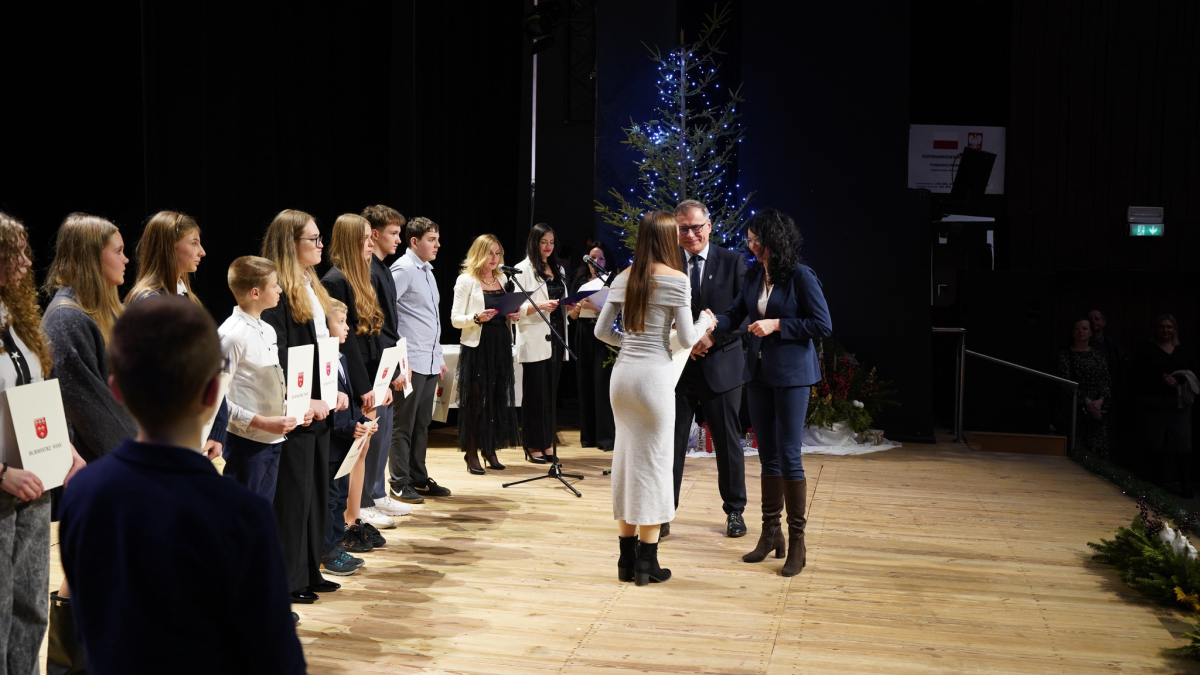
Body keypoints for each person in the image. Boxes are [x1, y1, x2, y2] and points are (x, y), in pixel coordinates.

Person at [58, 296, 305, 673]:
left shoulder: (82, 493)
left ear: (116, 390)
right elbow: (276, 657)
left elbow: (86, 623)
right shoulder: (243, 513)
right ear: (213, 394)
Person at [41, 213, 139, 670]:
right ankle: (68, 668)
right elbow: (86, 404)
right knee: (86, 571)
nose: (126, 258)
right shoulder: (66, 318)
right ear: (90, 257)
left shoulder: (96, 312)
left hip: (112, 462)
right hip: (94, 468)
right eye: (117, 250)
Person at [595, 211, 714, 587]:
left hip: (622, 379)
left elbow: (601, 331)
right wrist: (706, 322)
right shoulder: (676, 279)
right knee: (655, 466)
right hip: (653, 379)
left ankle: (625, 559)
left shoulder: (623, 277)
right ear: (667, 239)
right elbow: (686, 339)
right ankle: (647, 562)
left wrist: (630, 344)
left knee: (626, 462)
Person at [715, 209, 832, 578]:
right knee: (767, 458)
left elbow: (822, 324)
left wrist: (778, 324)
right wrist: (707, 324)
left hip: (792, 375)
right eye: (749, 240)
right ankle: (770, 533)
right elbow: (734, 315)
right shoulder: (753, 276)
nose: (752, 246)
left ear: (774, 240)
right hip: (759, 375)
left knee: (789, 456)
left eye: (757, 240)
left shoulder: (800, 275)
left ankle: (797, 542)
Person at [0, 213, 84, 675]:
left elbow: (37, 394)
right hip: (4, 487)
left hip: (35, 487)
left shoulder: (17, 322)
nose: (28, 262)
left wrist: (65, 449)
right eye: (15, 252)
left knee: (31, 606)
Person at [260, 209, 343, 605]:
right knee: (293, 497)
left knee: (314, 493)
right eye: (313, 239)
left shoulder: (311, 284)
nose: (320, 245)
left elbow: (324, 347)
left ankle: (310, 570)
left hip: (320, 404)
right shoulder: (277, 288)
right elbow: (277, 353)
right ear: (289, 243)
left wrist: (333, 389)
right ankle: (290, 579)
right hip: (297, 407)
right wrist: (302, 399)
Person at [671, 199, 749, 539]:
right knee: (670, 445)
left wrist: (711, 339)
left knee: (728, 444)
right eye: (683, 229)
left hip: (722, 366)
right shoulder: (667, 263)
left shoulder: (733, 262)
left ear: (709, 226)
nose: (690, 235)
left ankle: (735, 511)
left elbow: (744, 314)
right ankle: (662, 514)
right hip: (677, 369)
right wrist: (683, 343)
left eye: (696, 227)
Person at [125, 210, 227, 460]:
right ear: (169, 247)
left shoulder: (186, 299)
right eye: (193, 243)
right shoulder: (149, 302)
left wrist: (216, 429)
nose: (202, 252)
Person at [321, 214, 394, 538]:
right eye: (365, 237)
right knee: (353, 449)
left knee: (362, 448)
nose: (370, 242)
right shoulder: (335, 280)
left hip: (369, 374)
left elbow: (374, 332)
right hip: (352, 378)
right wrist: (364, 387)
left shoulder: (365, 275)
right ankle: (346, 521)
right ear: (351, 241)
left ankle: (353, 517)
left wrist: (383, 380)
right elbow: (346, 342)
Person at [218, 256, 300, 503]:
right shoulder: (231, 336)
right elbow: (216, 398)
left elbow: (268, 384)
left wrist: (291, 408)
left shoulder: (267, 329)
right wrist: (262, 422)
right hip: (247, 443)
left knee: (261, 513)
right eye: (275, 285)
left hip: (273, 439)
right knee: (240, 514)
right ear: (255, 292)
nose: (280, 290)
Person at [389, 217, 451, 502]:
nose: (437, 245)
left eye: (437, 239)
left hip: (428, 359)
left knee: (422, 423)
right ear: (414, 241)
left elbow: (430, 318)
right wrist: (400, 361)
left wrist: (438, 357)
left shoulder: (427, 270)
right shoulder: (403, 269)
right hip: (410, 361)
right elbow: (387, 314)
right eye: (431, 240)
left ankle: (418, 477)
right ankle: (398, 481)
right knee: (403, 423)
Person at [450, 234, 520, 474]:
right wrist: (476, 317)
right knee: (476, 400)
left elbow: (506, 311)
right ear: (478, 253)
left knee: (496, 397)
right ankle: (471, 452)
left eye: (498, 253)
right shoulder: (466, 280)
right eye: (489, 252)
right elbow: (455, 319)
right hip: (478, 345)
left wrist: (512, 315)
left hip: (500, 342)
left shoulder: (503, 278)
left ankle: (490, 448)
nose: (494, 258)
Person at [360, 205, 411, 522]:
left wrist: (398, 365)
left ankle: (378, 493)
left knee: (384, 432)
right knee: (374, 433)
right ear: (375, 234)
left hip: (388, 360)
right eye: (393, 233)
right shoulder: (369, 271)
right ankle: (365, 499)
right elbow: (375, 327)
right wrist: (389, 370)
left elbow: (391, 325)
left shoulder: (383, 269)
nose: (398, 239)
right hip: (376, 364)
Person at [513, 223, 576, 463]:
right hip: (535, 336)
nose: (548, 247)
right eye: (543, 242)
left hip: (556, 335)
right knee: (535, 394)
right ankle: (532, 444)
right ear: (534, 242)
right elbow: (515, 308)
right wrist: (540, 306)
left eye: (551, 242)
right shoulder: (522, 269)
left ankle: (546, 443)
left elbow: (560, 299)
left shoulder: (558, 268)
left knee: (550, 395)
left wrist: (569, 304)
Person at [321, 299, 374, 576]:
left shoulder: (341, 358)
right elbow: (330, 409)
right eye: (340, 322)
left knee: (340, 497)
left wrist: (362, 422)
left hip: (345, 446)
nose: (347, 329)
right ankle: (326, 552)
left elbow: (349, 403)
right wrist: (350, 427)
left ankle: (336, 546)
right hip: (332, 443)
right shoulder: (323, 361)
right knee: (330, 500)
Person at [1132, 314, 1197, 497]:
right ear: (1156, 329)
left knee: (1183, 445)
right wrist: (1161, 379)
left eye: (1169, 327)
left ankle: (1185, 485)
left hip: (1179, 403)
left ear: (1174, 329)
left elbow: (1193, 371)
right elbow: (1138, 374)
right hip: (1153, 402)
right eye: (1162, 326)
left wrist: (1177, 379)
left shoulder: (1183, 350)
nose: (1165, 330)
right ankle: (1156, 484)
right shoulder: (1147, 349)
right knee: (1154, 444)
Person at [568, 242, 616, 451]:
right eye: (593, 258)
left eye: (601, 258)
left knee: (603, 382)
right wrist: (578, 308)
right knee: (585, 381)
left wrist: (595, 307)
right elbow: (571, 316)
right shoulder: (580, 282)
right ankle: (588, 436)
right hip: (583, 332)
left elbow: (618, 314)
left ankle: (606, 438)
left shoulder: (612, 281)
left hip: (604, 333)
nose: (596, 262)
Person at [1056, 316, 1111, 457]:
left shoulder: (1099, 356)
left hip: (1096, 410)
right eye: (1077, 329)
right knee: (1075, 449)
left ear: (1091, 332)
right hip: (1073, 408)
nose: (1081, 331)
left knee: (1096, 450)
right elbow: (1065, 382)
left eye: (1085, 328)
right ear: (1072, 333)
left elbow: (1105, 381)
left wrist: (1100, 401)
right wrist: (1086, 401)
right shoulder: (1065, 355)